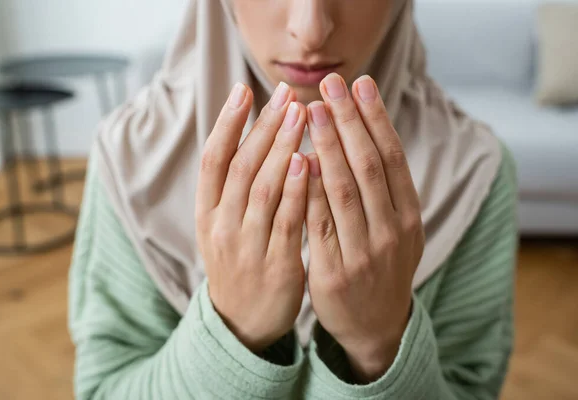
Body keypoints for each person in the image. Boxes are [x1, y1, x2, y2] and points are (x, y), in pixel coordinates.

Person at [69, 0, 518, 398]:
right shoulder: (129, 159)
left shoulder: (474, 171)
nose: (311, 29)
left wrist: (379, 345)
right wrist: (231, 330)